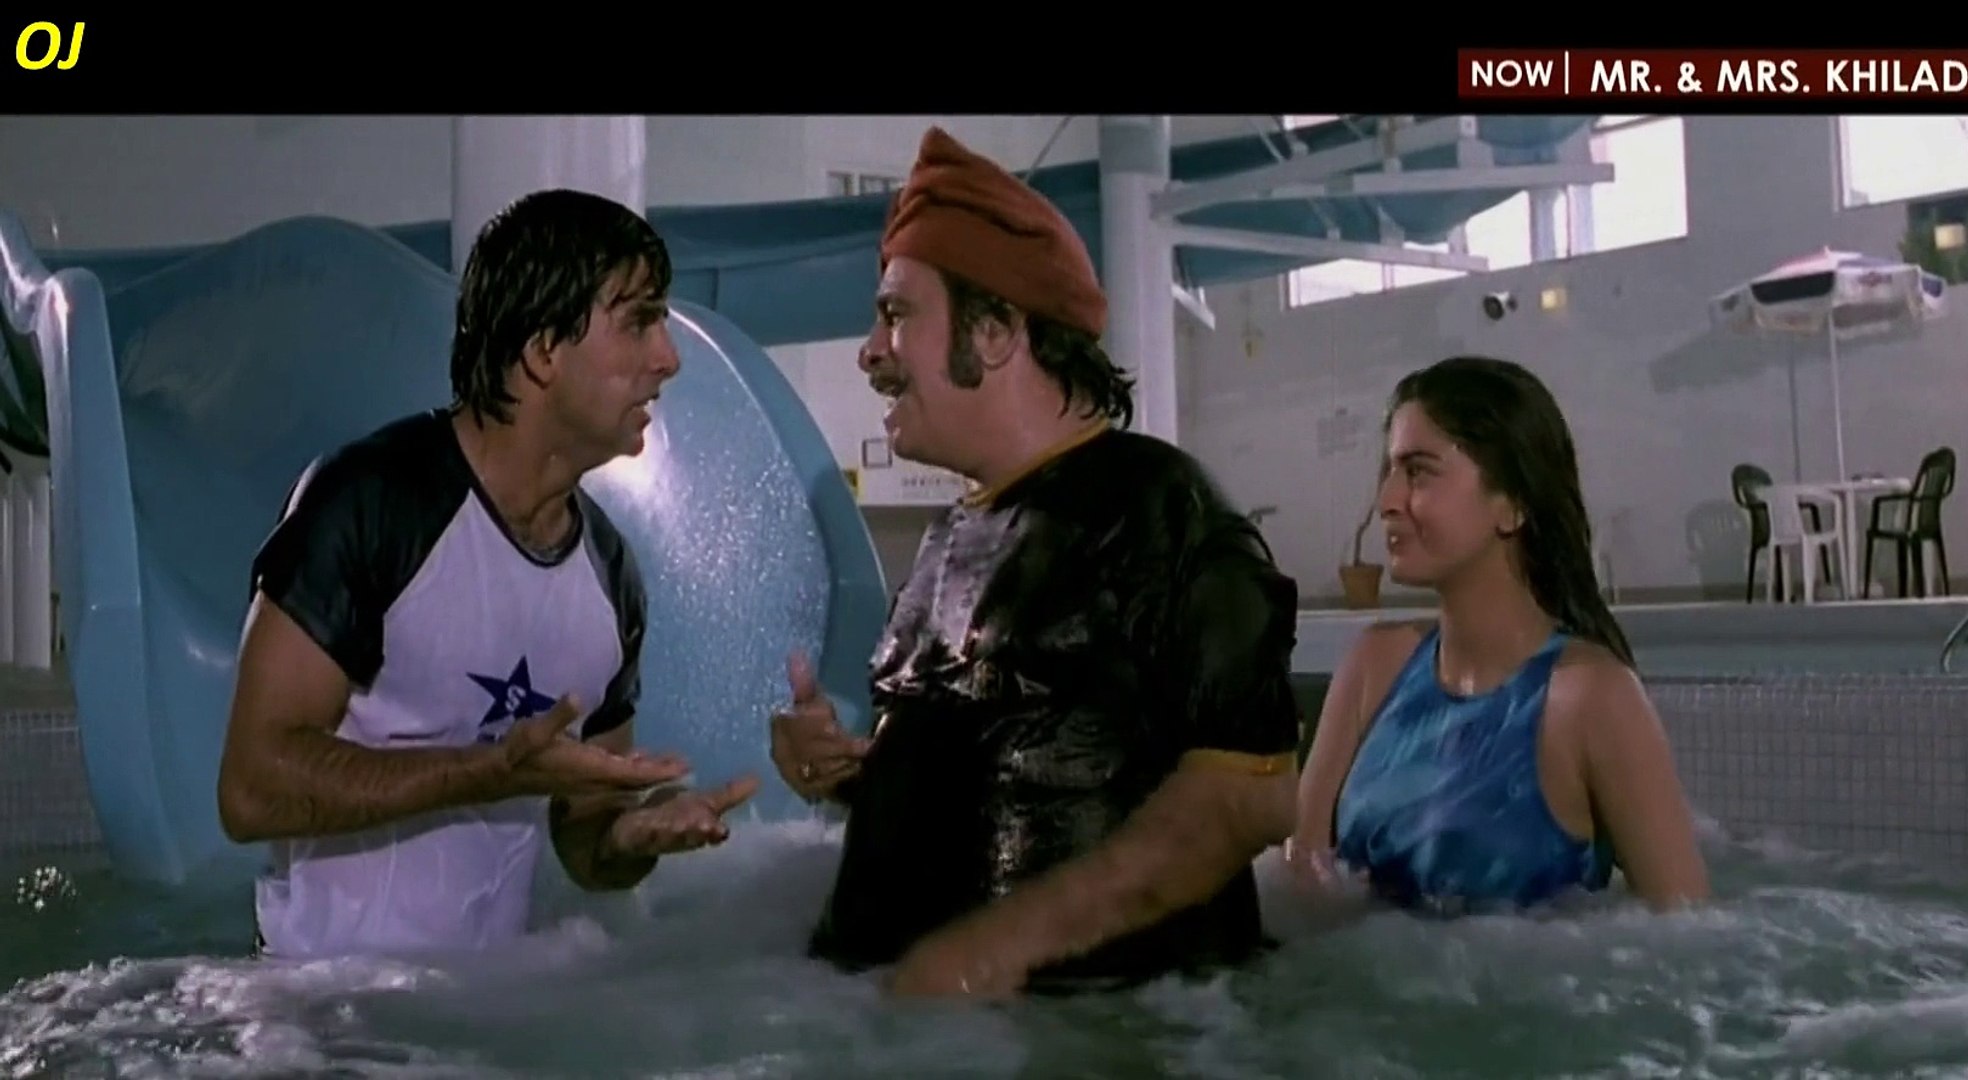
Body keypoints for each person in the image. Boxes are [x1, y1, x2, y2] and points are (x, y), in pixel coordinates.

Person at [767, 127, 1301, 998]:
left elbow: (1248, 798)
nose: (868, 350)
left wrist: (986, 956)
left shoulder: (1161, 512)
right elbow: (1010, 781)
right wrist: (848, 774)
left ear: (994, 331)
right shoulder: (947, 540)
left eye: (896, 315)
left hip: (1098, 1032)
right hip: (924, 1031)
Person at [215, 189, 758, 961]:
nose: (668, 356)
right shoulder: (374, 504)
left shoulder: (610, 575)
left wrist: (630, 835)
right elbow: (250, 788)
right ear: (543, 350)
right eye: (639, 321)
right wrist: (488, 772)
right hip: (318, 997)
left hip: (483, 1006)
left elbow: (585, 836)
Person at [1289, 356, 1709, 915]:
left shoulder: (1592, 699)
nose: (1386, 501)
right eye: (1388, 471)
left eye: (1418, 472)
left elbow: (1685, 934)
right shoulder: (1375, 665)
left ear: (1511, 504)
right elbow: (1300, 876)